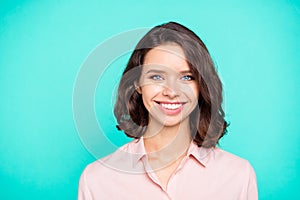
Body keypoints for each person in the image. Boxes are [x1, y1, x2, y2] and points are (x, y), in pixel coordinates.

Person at [78, 22, 258, 200]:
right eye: (157, 76)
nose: (171, 92)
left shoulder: (238, 176)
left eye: (186, 77)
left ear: (201, 86)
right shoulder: (97, 180)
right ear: (138, 84)